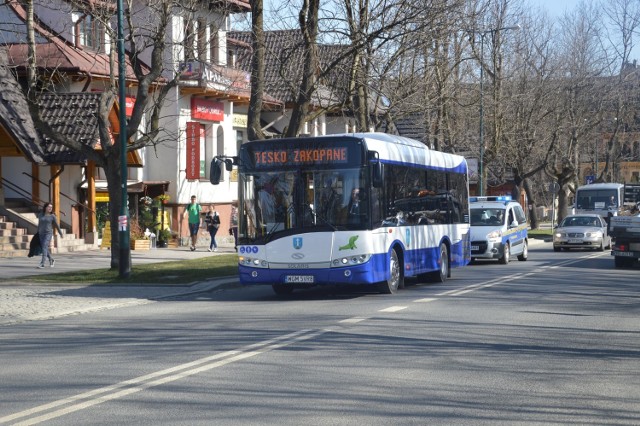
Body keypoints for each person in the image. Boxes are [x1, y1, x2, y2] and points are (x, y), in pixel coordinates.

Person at [37, 202, 61, 268]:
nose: (50, 208)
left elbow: (57, 225)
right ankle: (51, 259)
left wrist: (60, 233)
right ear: (45, 207)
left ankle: (42, 263)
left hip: (48, 233)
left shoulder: (52, 216)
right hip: (41, 233)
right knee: (44, 248)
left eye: (51, 207)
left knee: (44, 246)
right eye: (49, 207)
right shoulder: (40, 215)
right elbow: (39, 224)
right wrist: (37, 233)